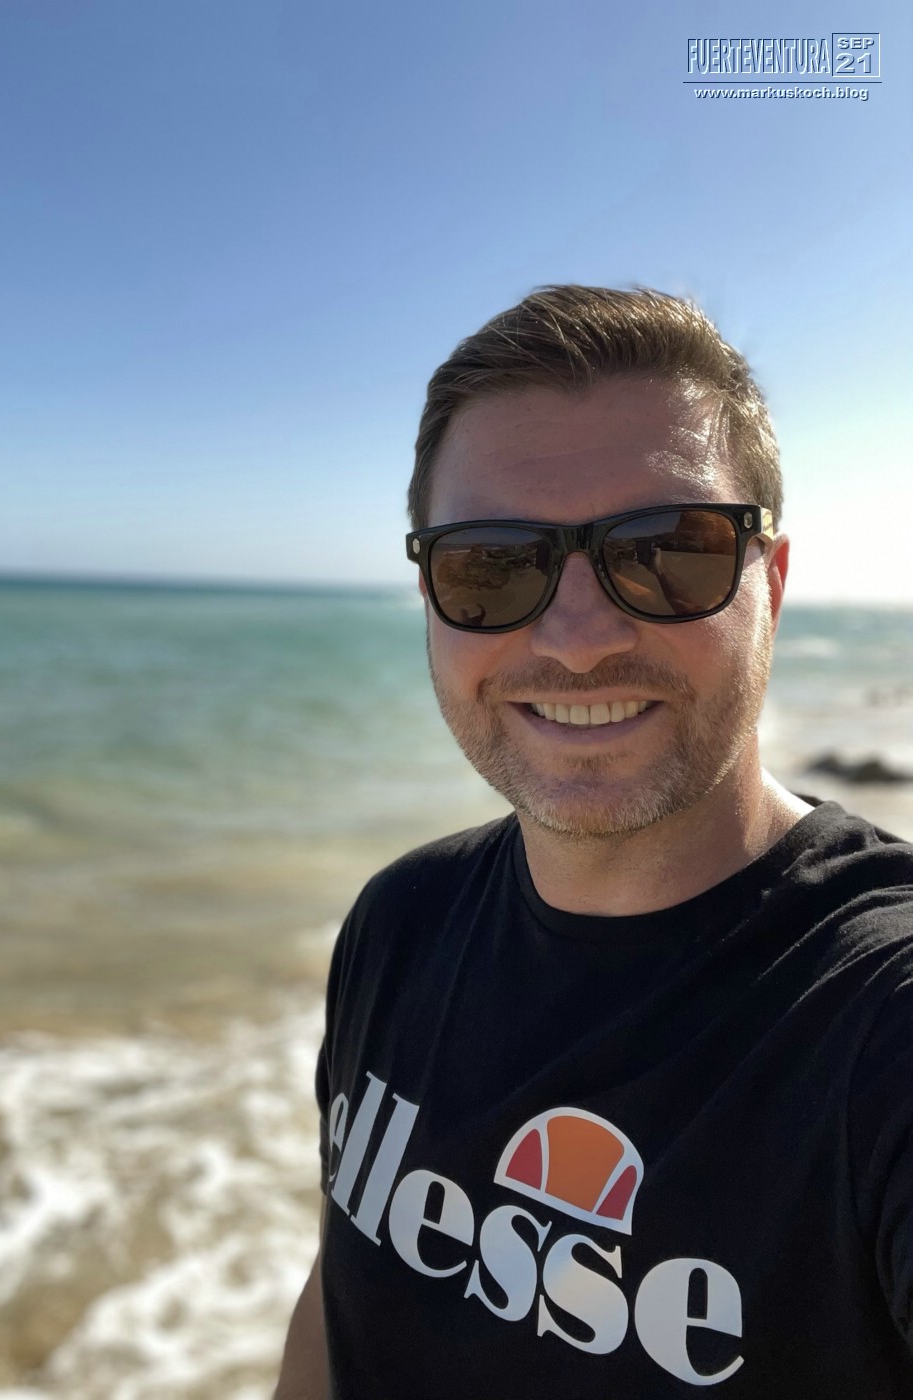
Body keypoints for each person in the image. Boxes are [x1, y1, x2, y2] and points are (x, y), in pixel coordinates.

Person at [273, 286, 913, 1398]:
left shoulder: (876, 1018)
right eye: (491, 564)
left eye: (668, 550)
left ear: (770, 582)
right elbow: (341, 1295)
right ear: (429, 594)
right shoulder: (398, 921)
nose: (576, 641)